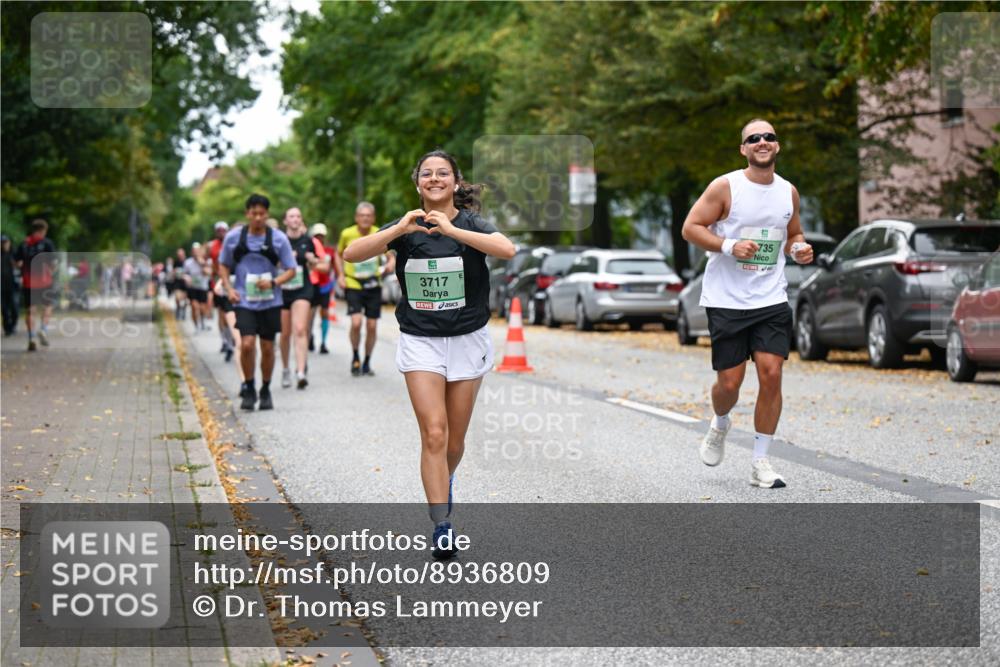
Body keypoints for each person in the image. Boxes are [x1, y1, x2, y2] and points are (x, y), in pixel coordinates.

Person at [342, 149, 515, 559]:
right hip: (420, 339)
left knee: (454, 440)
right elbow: (351, 255)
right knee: (434, 432)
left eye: (443, 174)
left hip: (468, 339)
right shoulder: (407, 226)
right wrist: (398, 228)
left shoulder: (471, 224)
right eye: (426, 174)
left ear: (455, 182)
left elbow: (506, 249)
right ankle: (441, 524)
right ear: (417, 183)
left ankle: (444, 478)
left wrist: (453, 231)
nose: (434, 179)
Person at [681, 119, 814, 489]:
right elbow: (690, 227)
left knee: (771, 374)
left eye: (768, 137)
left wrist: (799, 248)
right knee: (729, 383)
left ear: (777, 146)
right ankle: (720, 422)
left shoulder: (788, 192)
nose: (761, 142)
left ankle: (761, 462)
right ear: (743, 149)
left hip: (771, 297)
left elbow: (793, 233)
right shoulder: (726, 187)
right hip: (727, 299)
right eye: (753, 138)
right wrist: (728, 245)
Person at [218, 194, 298, 411]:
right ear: (247, 214)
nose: (258, 218)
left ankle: (265, 388)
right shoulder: (234, 238)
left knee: (267, 347)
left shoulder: (278, 238)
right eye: (254, 213)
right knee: (247, 344)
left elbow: (291, 270)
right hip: (243, 300)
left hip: (270, 301)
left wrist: (274, 282)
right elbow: (223, 265)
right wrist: (229, 288)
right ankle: (249, 386)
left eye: (262, 214)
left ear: (267, 214)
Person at [336, 202, 396, 376]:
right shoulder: (347, 233)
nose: (365, 218)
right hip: (353, 282)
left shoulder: (379, 232)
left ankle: (367, 361)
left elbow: (391, 255)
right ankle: (355, 356)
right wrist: (340, 275)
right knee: (356, 323)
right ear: (356, 217)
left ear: (373, 218)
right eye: (362, 215)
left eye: (368, 215)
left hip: (373, 283)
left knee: (371, 325)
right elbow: (338, 254)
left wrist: (390, 264)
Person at [278, 207, 330, 389]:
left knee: (301, 329)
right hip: (282, 290)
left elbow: (325, 267)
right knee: (285, 334)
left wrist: (312, 261)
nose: (295, 219)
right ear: (285, 220)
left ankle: (301, 372)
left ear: (301, 220)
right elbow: (268, 264)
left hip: (303, 289)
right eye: (291, 216)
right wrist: (281, 261)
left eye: (298, 216)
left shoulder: (309, 241)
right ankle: (285, 369)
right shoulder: (278, 240)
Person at [13, 219, 58, 351]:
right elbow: (53, 263)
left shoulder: (24, 244)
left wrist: (22, 266)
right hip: (45, 281)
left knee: (30, 310)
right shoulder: (47, 243)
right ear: (43, 230)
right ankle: (43, 329)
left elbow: (16, 262)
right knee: (48, 307)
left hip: (28, 281)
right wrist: (52, 271)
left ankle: (31, 337)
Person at [209, 221, 238, 360]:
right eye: (219, 230)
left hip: (234, 282)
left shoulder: (232, 243)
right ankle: (226, 341)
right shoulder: (212, 246)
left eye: (223, 230)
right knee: (222, 315)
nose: (221, 232)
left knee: (233, 314)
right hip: (218, 283)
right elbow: (208, 263)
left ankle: (232, 340)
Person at [308, 223, 338, 354]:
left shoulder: (329, 251)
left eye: (321, 236)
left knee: (324, 313)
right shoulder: (308, 250)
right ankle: (309, 337)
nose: (319, 238)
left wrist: (340, 279)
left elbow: (336, 267)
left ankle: (324, 342)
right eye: (317, 236)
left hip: (325, 286)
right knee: (310, 315)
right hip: (311, 286)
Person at [182, 242, 211, 332]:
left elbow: (208, 272)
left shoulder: (205, 261)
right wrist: (187, 278)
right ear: (191, 252)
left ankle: (202, 322)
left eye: (197, 251)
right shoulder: (188, 262)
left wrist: (201, 263)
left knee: (202, 308)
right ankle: (196, 326)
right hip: (192, 287)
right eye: (194, 251)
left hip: (203, 287)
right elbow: (184, 274)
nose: (195, 253)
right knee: (194, 306)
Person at [1, 234, 19, 336]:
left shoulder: (14, 254)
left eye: (5, 242)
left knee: (14, 307)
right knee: (4, 309)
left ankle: (13, 325)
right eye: (2, 243)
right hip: (2, 287)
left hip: (13, 286)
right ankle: (7, 329)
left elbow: (20, 266)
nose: (4, 245)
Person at [171, 247, 189, 320]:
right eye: (178, 255)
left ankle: (183, 311)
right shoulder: (176, 262)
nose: (180, 256)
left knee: (185, 299)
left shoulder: (188, 262)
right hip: (178, 282)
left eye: (181, 254)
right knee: (178, 298)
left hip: (185, 283)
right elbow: (173, 272)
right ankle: (178, 310)